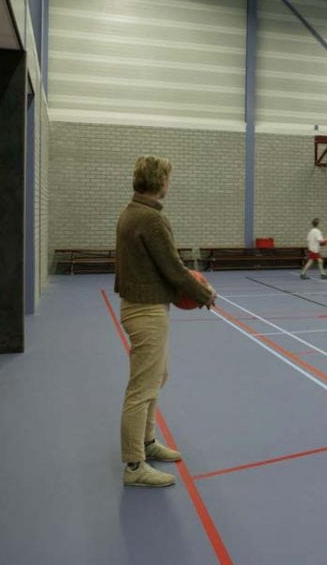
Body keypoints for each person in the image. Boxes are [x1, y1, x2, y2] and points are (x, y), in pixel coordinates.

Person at [115, 155, 217, 488]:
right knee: (141, 389)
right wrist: (204, 294)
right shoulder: (151, 219)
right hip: (145, 312)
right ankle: (134, 466)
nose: (169, 184)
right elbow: (173, 269)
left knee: (157, 377)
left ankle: (146, 442)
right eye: (168, 179)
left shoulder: (132, 212)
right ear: (160, 181)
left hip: (143, 307)